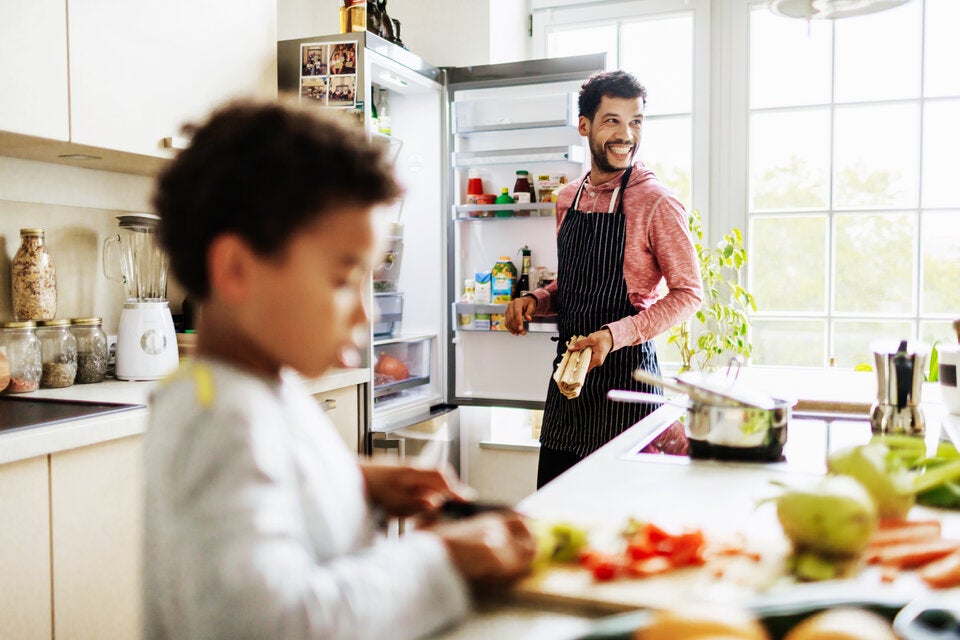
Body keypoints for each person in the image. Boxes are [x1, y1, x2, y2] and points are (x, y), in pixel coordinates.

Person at [145, 100, 536, 640]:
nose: (366, 311)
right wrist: (444, 557)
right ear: (237, 270)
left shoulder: (262, 386)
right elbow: (272, 624)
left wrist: (359, 482)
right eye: (341, 279)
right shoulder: (217, 417)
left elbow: (272, 484)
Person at [505, 70, 703, 489]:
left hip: (627, 388)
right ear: (584, 126)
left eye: (636, 122)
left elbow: (688, 294)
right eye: (612, 120)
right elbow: (573, 284)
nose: (626, 134)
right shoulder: (567, 197)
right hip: (569, 382)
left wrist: (613, 336)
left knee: (621, 523)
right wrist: (537, 300)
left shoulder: (656, 202)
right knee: (553, 513)